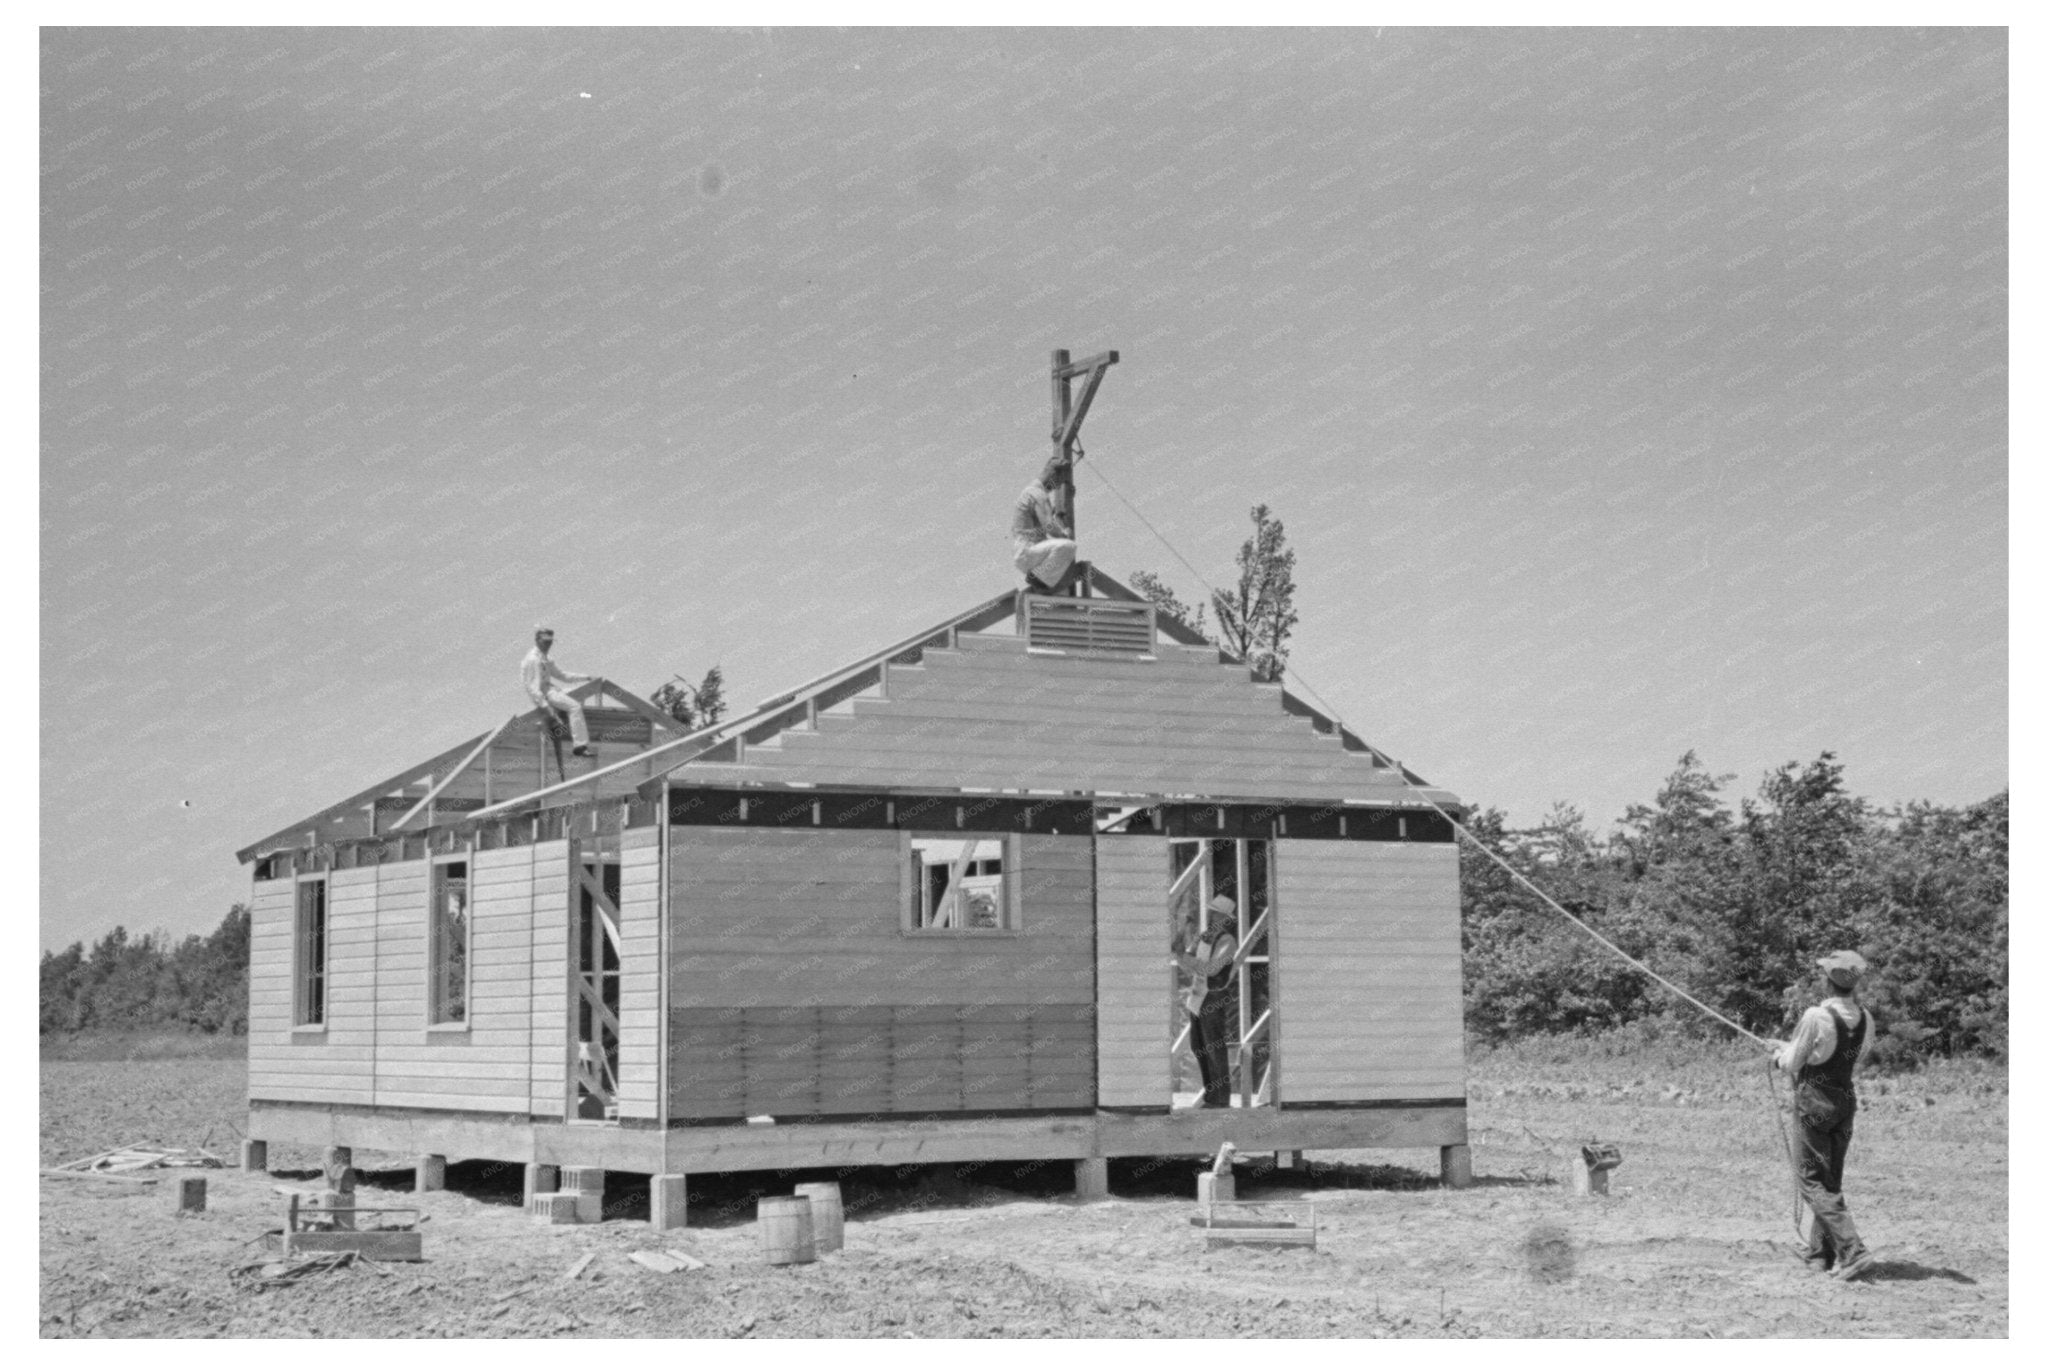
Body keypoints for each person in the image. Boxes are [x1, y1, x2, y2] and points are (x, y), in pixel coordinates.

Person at [1774, 949, 1878, 1281]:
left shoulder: (1815, 1016)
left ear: (1827, 979)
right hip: (1844, 1099)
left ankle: (1852, 1250)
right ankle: (1821, 1255)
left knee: (1811, 1180)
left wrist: (1779, 1057)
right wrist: (1788, 1050)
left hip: (1815, 1102)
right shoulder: (1866, 1018)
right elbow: (1852, 1057)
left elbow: (1793, 1064)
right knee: (1829, 1178)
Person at [1172, 895, 1239, 1109]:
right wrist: (1182, 954)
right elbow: (1188, 965)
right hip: (1198, 997)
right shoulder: (1204, 937)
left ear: (1226, 919)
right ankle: (1212, 1096)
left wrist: (1186, 958)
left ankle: (1220, 1099)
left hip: (1214, 997)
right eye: (1212, 912)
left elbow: (1212, 968)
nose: (1213, 916)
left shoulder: (1227, 941)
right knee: (1199, 1045)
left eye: (1218, 914)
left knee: (1214, 1047)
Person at [521, 624, 593, 757]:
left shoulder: (546, 658)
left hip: (551, 690)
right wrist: (547, 709)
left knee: (576, 693)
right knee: (575, 707)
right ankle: (580, 745)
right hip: (545, 694)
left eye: (550, 642)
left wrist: (586, 677)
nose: (548, 645)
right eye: (545, 642)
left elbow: (562, 675)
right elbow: (533, 688)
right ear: (537, 640)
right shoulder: (533, 660)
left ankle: (561, 724)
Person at [1012, 456, 1079, 593]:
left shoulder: (1032, 492)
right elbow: (1049, 526)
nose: (1058, 486)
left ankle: (1041, 580)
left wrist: (1067, 500)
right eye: (1059, 481)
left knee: (1061, 550)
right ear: (1053, 474)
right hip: (1028, 552)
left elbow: (1047, 521)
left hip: (1027, 552)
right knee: (1069, 546)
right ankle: (1039, 580)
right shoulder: (1037, 494)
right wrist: (1064, 534)